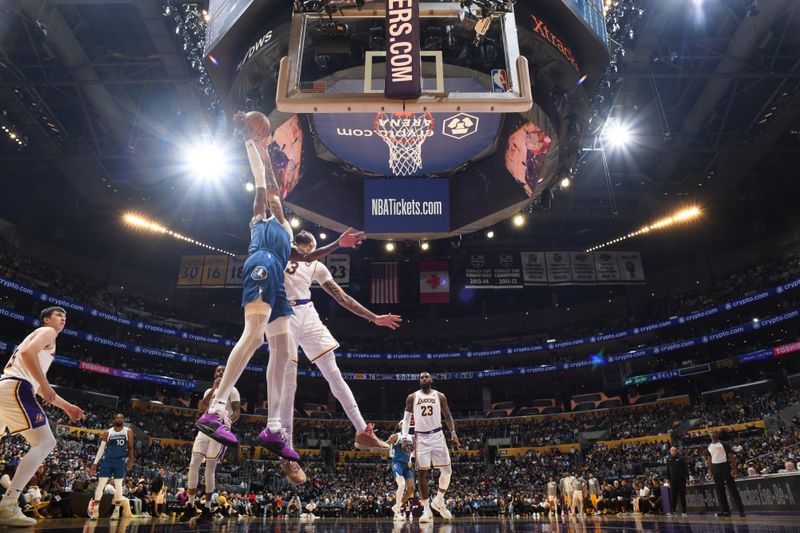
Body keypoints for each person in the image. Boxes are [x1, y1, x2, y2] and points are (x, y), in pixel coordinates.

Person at [196, 111, 365, 459]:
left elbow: (306, 259)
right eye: (271, 195)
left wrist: (338, 245)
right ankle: (215, 409)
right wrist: (250, 140)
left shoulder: (287, 233)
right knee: (255, 335)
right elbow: (263, 177)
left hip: (278, 282)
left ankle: (274, 428)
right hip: (261, 265)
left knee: (283, 348)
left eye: (277, 197)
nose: (274, 196)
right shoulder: (260, 212)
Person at [278, 230, 401, 479]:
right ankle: (286, 451)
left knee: (334, 373)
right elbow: (304, 254)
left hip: (307, 312)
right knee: (288, 381)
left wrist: (374, 318)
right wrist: (336, 244)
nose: (305, 237)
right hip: (282, 312)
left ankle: (362, 430)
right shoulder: (284, 249)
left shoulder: (317, 267)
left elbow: (342, 298)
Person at [0, 306, 84, 526]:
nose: (63, 318)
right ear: (46, 319)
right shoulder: (48, 332)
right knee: (46, 441)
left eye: (65, 316)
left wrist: (67, 407)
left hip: (7, 387)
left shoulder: (42, 339)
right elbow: (30, 361)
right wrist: (46, 387)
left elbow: (39, 386)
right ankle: (8, 505)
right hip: (17, 387)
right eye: (58, 315)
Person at [182, 366, 240, 523]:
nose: (220, 373)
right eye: (218, 371)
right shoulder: (209, 390)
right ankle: (190, 504)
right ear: (214, 374)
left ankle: (207, 508)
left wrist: (227, 423)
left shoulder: (232, 390)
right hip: (204, 429)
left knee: (209, 469)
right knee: (193, 464)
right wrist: (213, 389)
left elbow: (237, 412)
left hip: (219, 431)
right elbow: (201, 408)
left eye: (223, 371)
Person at [400, 372, 461, 523]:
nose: (424, 379)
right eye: (422, 377)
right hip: (421, 438)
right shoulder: (412, 397)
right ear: (419, 381)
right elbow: (406, 420)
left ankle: (438, 501)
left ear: (431, 380)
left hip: (438, 435)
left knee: (447, 471)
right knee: (422, 474)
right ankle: (427, 511)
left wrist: (453, 432)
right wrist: (405, 438)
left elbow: (448, 416)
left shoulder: (440, 396)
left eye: (427, 377)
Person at [88, 413, 134, 520]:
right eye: (117, 418)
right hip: (108, 461)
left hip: (120, 461)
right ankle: (95, 511)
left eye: (121, 418)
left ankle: (116, 511)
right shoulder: (108, 432)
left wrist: (131, 460)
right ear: (114, 419)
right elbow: (101, 448)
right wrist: (95, 463)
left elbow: (131, 447)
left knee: (118, 486)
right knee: (100, 485)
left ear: (124, 420)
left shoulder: (128, 431)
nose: (119, 419)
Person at [705, 429, 745, 517]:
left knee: (733, 488)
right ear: (709, 435)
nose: (713, 433)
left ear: (717, 434)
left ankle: (741, 510)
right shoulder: (708, 446)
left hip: (725, 467)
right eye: (711, 432)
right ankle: (725, 511)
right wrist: (710, 471)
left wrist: (734, 469)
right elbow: (709, 460)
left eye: (714, 432)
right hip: (715, 469)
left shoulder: (724, 444)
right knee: (720, 491)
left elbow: (731, 457)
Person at [386, 422, 414, 522]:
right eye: (402, 423)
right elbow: (385, 444)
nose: (405, 424)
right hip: (397, 463)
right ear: (400, 426)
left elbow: (414, 450)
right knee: (401, 485)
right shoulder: (396, 436)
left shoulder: (412, 437)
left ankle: (397, 506)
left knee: (411, 488)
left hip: (407, 466)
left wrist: (411, 459)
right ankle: (397, 513)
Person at [666, 447, 688, 516]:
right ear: (670, 452)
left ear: (676, 451)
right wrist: (667, 478)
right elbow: (668, 469)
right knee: (673, 496)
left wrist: (687, 478)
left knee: (682, 496)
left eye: (674, 451)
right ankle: (673, 511)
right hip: (672, 481)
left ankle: (684, 511)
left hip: (681, 480)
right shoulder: (668, 459)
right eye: (672, 451)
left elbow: (685, 469)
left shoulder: (681, 458)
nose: (673, 452)